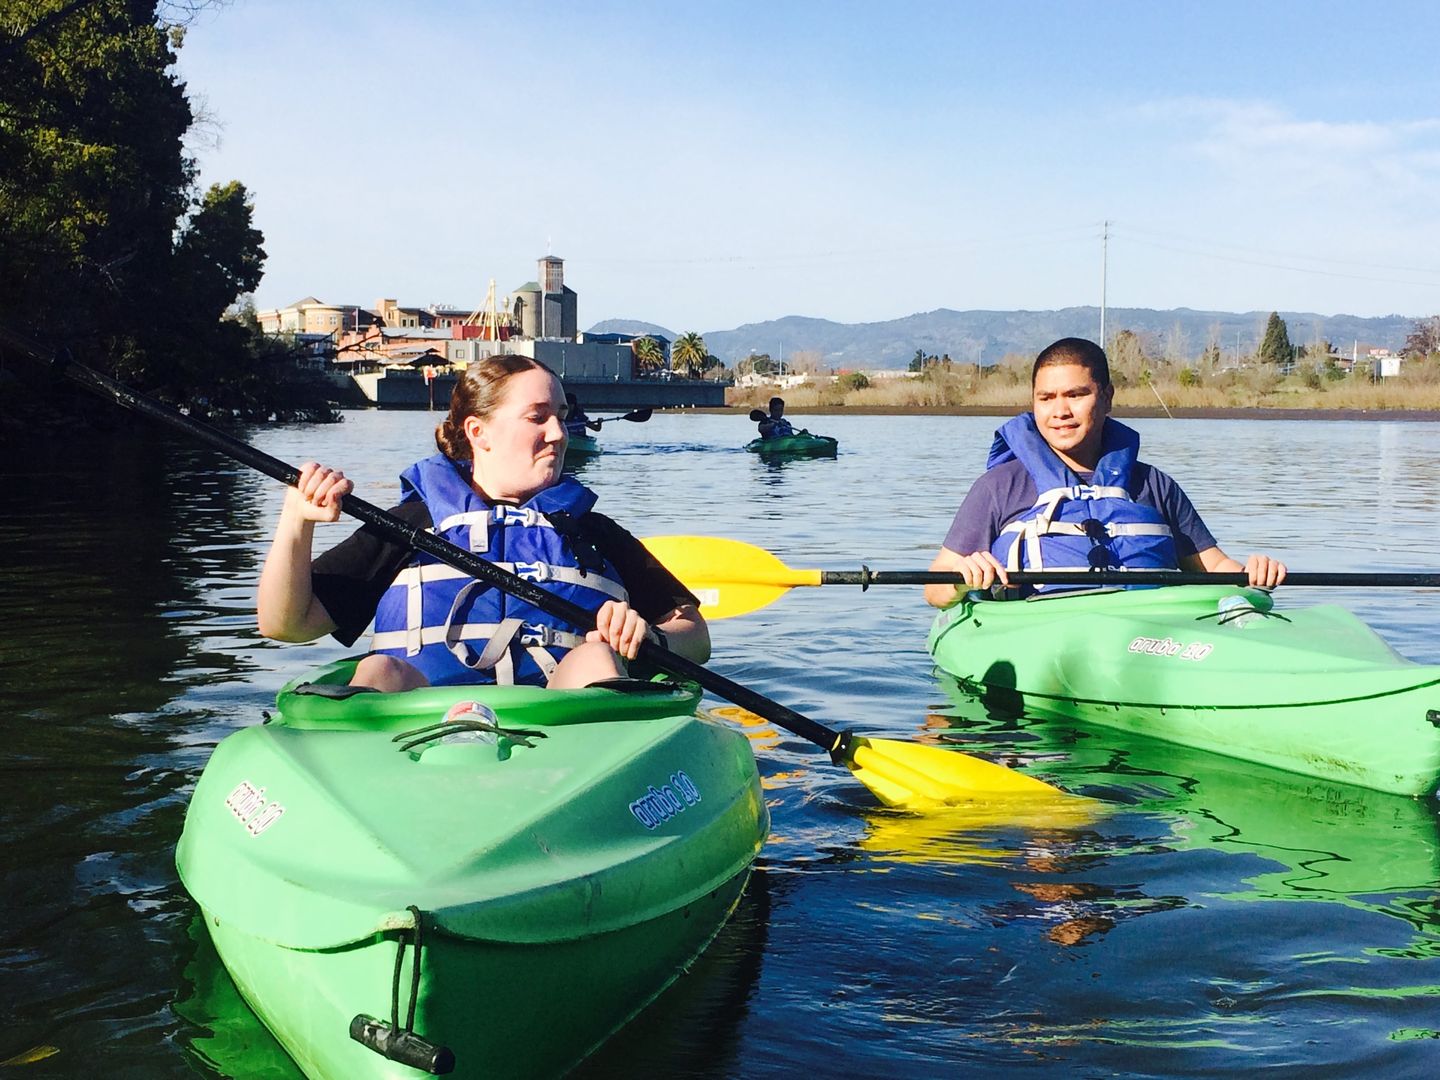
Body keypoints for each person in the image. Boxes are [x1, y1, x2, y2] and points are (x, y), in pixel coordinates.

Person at [257, 354, 708, 691]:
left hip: (567, 738)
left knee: (596, 658)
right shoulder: (410, 525)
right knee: (379, 669)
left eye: (562, 417)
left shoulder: (592, 531)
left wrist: (651, 637)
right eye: (538, 417)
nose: (558, 433)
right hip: (417, 734)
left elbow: (696, 635)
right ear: (479, 432)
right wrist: (296, 521)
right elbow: (288, 625)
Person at [924, 337, 1287, 607]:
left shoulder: (1154, 486)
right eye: (1046, 398)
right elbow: (934, 588)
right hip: (1040, 630)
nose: (1060, 411)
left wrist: (1253, 574)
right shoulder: (1000, 486)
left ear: (1107, 397)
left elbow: (1214, 566)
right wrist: (962, 579)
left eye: (1075, 395)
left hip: (1147, 632)